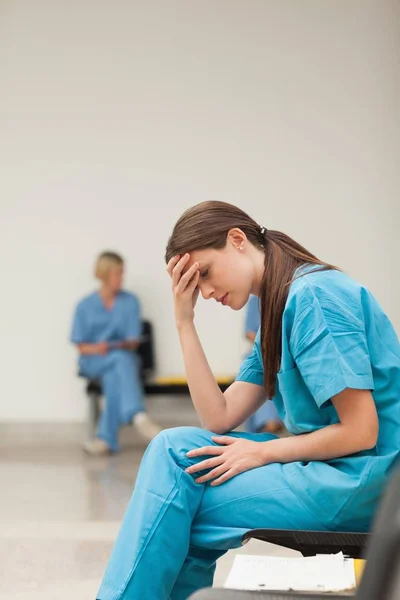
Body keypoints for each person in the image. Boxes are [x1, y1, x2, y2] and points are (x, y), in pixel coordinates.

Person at [96, 201, 400, 599]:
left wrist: (262, 454)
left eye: (203, 273)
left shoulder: (314, 297)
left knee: (179, 505)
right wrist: (184, 321)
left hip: (363, 478)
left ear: (237, 240)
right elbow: (218, 417)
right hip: (329, 467)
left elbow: (362, 432)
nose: (204, 291)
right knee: (173, 449)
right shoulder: (277, 307)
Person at [71, 251, 161, 455]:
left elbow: (132, 341)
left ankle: (105, 440)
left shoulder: (130, 302)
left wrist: (109, 347)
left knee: (114, 374)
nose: (121, 278)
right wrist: (98, 348)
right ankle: (137, 414)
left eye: (122, 273)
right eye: (117, 273)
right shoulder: (85, 306)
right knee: (120, 362)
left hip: (122, 359)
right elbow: (80, 345)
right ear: (104, 274)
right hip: (93, 361)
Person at [244, 294, 284, 433]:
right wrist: (268, 345)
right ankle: (268, 421)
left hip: (281, 352)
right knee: (262, 367)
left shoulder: (287, 297)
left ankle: (269, 421)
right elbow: (249, 332)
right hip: (263, 351)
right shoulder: (255, 301)